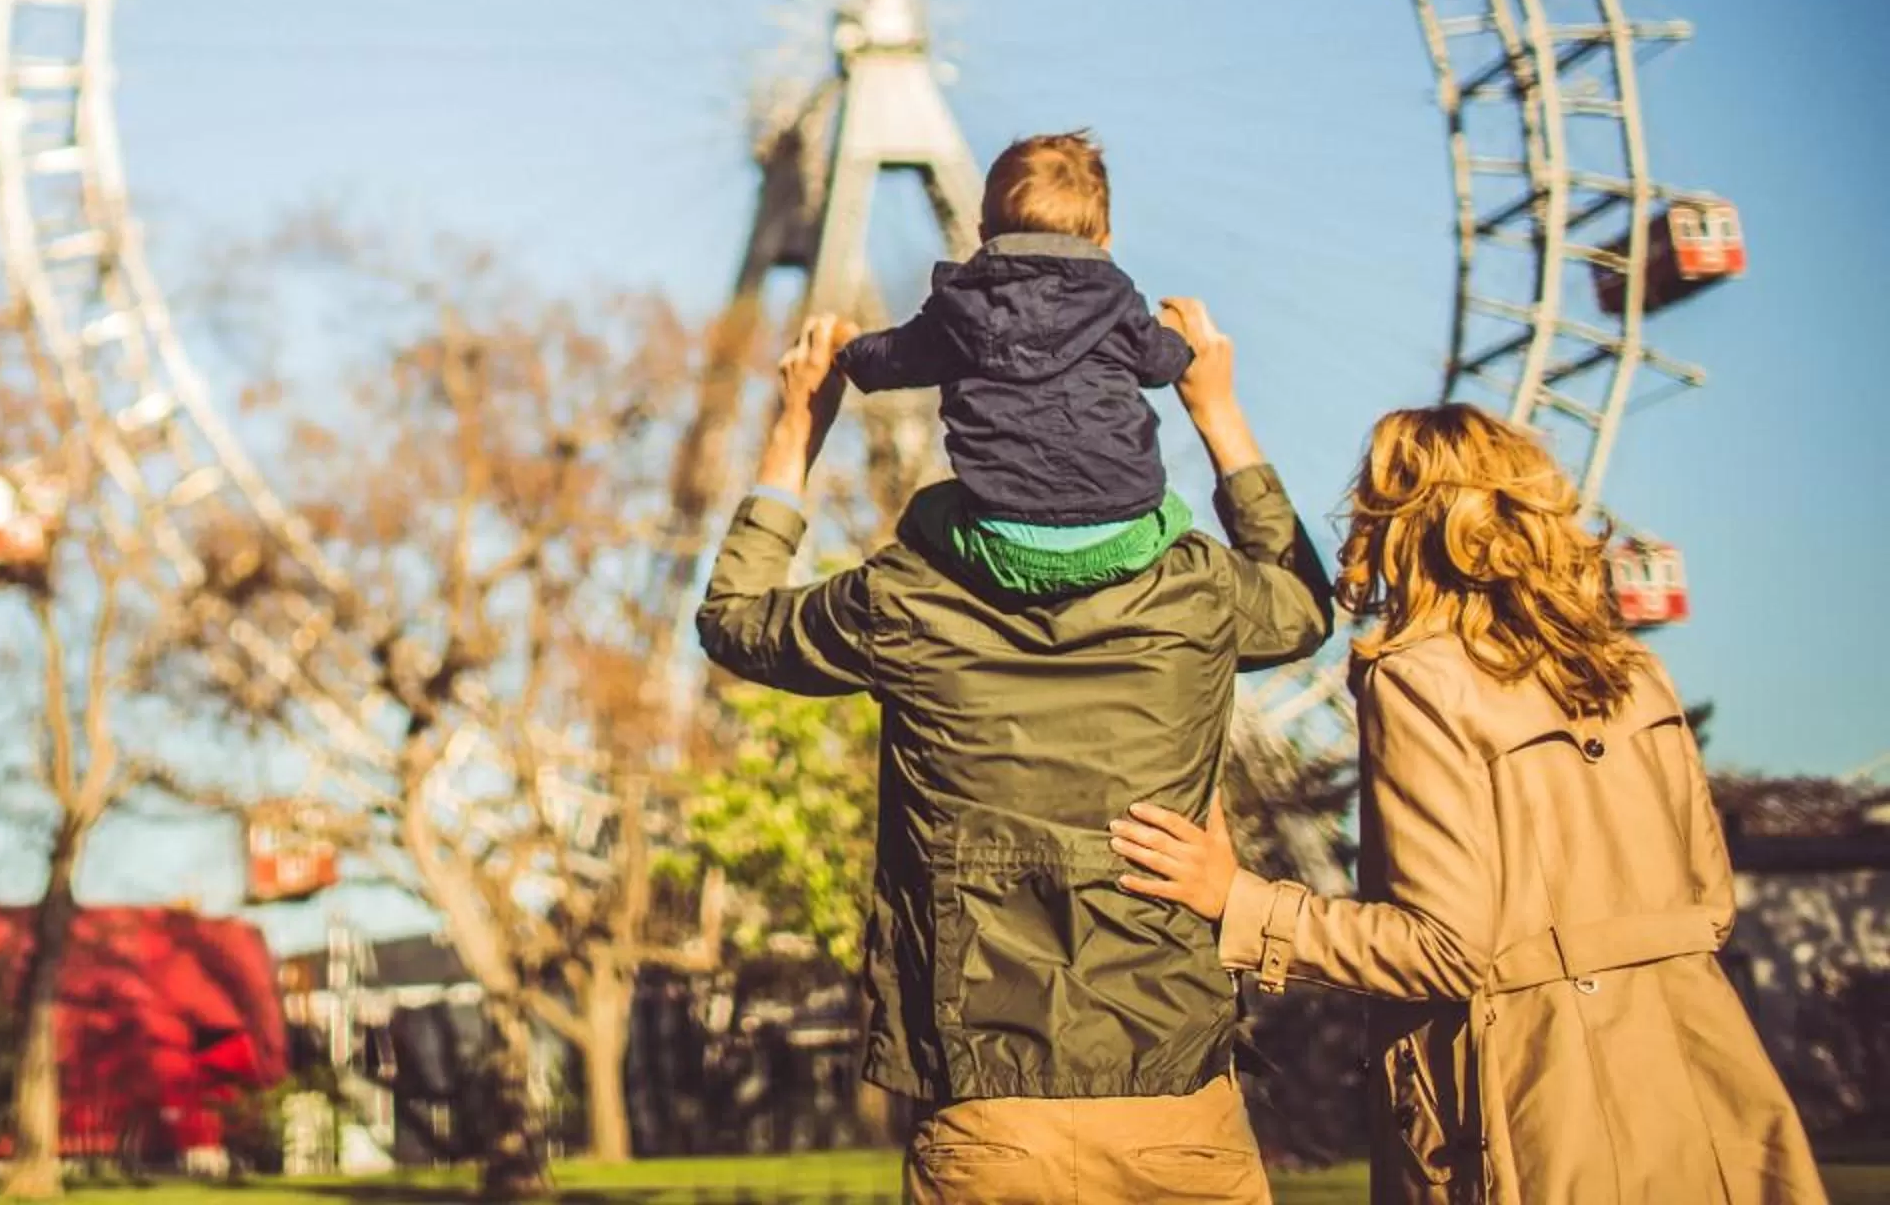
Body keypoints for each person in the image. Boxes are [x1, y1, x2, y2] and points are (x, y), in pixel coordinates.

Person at [1109, 403, 1824, 1203]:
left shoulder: (1420, 680)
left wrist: (1243, 905)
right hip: (1708, 1087)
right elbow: (1711, 905)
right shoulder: (1634, 675)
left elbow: (1447, 947)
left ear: (1398, 522)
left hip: (1539, 1104)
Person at [698, 302, 1331, 1204]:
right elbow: (1305, 606)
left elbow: (733, 620)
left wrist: (801, 423)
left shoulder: (905, 599)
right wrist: (1218, 411)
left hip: (983, 1117)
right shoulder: (1197, 591)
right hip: (1174, 1101)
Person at [836, 131, 1195, 597]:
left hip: (1003, 547)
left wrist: (846, 350)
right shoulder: (1120, 306)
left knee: (926, 512)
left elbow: (887, 361)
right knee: (1172, 510)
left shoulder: (955, 313)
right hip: (1124, 538)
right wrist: (1180, 336)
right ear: (1105, 240)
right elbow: (1163, 365)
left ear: (982, 235)